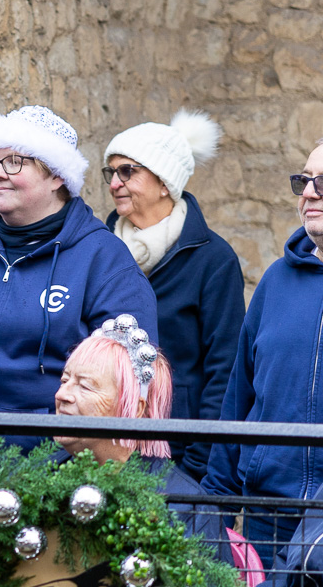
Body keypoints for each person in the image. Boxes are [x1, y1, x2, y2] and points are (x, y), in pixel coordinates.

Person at [0, 105, 158, 476]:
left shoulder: (103, 261)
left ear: (56, 176)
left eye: (15, 162)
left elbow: (129, 385)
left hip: (56, 483)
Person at [103, 110, 244, 481]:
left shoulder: (213, 259)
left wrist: (198, 463)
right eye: (111, 172)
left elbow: (224, 370)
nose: (115, 183)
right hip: (102, 448)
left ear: (164, 183)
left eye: (127, 171)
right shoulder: (99, 252)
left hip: (178, 455)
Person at [203, 139, 323, 569]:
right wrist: (214, 506)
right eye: (304, 181)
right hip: (266, 520)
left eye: (322, 183)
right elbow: (239, 399)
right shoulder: (275, 281)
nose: (308, 193)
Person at [54, 322, 236, 564]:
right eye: (64, 380)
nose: (62, 395)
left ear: (135, 410)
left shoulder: (186, 507)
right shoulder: (40, 479)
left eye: (85, 386)